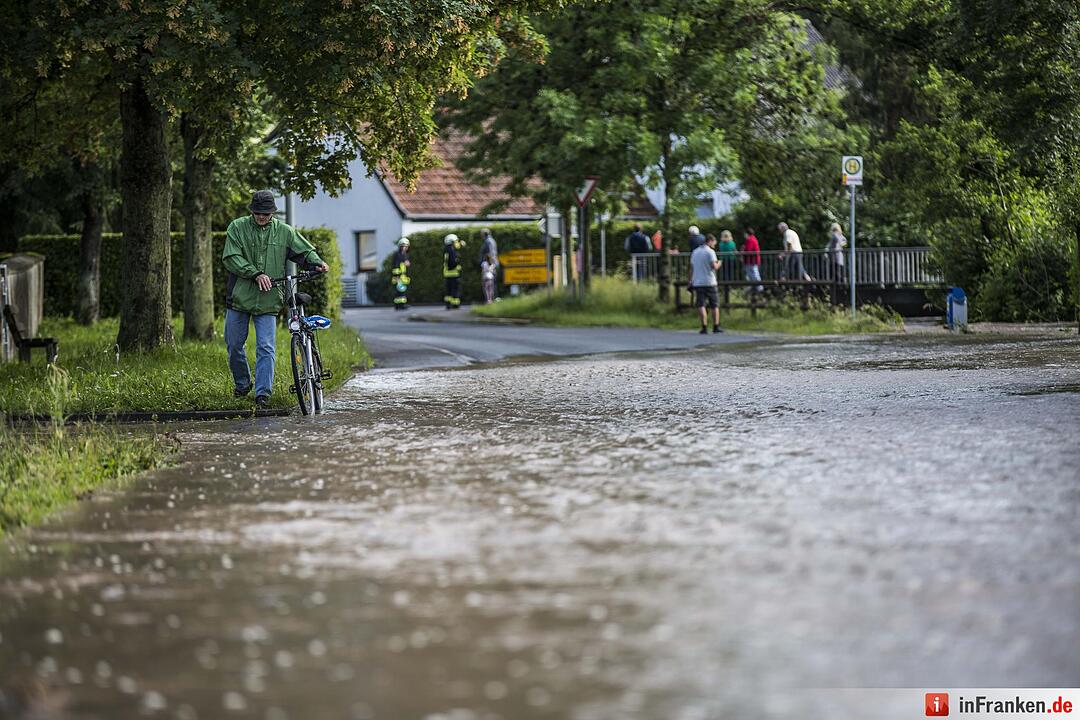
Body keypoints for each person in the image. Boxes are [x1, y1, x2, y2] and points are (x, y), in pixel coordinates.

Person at [222, 190, 329, 408]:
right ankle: (243, 384)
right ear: (252, 211)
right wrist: (255, 274)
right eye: (258, 213)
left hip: (268, 299)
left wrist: (317, 262)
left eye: (266, 213)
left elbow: (304, 251)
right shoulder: (237, 227)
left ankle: (263, 394)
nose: (262, 217)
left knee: (266, 347)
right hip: (240, 297)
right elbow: (231, 258)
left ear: (272, 213)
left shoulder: (284, 232)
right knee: (234, 345)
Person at [689, 233, 722, 334]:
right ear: (710, 241)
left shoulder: (695, 252)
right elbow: (714, 266)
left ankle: (704, 326)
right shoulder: (710, 252)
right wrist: (719, 263)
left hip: (698, 282)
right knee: (714, 305)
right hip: (710, 281)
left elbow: (691, 268)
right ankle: (716, 326)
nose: (715, 245)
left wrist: (690, 280)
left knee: (701, 304)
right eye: (714, 243)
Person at [443, 233, 464, 309]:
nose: (456, 243)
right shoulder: (452, 251)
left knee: (448, 291)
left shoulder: (446, 250)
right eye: (455, 241)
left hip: (447, 274)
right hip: (454, 274)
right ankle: (455, 304)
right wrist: (457, 264)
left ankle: (448, 304)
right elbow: (452, 262)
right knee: (455, 290)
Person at [391, 237, 411, 310]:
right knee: (400, 291)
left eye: (406, 246)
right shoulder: (398, 254)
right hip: (399, 276)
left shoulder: (404, 254)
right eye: (403, 246)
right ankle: (400, 305)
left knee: (402, 291)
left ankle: (401, 304)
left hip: (403, 276)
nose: (405, 248)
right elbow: (396, 266)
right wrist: (397, 276)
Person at [478, 228, 499, 300]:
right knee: (490, 283)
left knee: (489, 283)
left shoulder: (489, 241)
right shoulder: (489, 240)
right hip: (490, 264)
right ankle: (491, 298)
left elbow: (491, 253)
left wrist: (489, 265)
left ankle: (491, 299)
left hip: (489, 266)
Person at [741, 227, 763, 293]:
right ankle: (756, 288)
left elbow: (748, 250)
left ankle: (759, 289)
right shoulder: (753, 239)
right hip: (752, 261)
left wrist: (742, 250)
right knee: (753, 274)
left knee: (754, 275)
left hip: (751, 261)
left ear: (747, 233)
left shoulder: (750, 239)